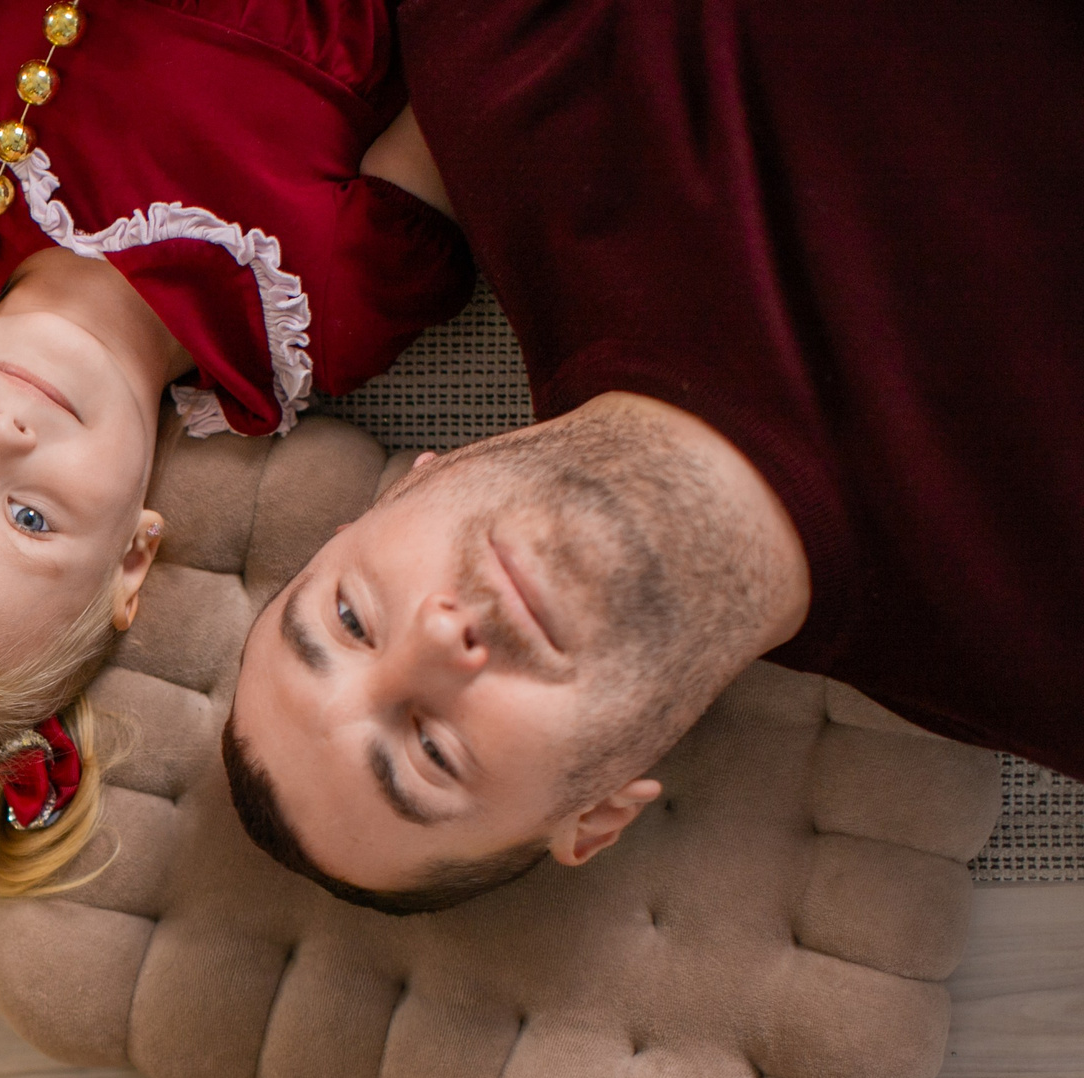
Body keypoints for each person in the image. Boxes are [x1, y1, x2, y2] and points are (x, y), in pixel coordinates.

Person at [224, 1, 1084, 914]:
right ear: (595, 817)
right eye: (434, 752)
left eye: (354, 617)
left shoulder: (513, 67)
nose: (439, 638)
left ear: (408, 487)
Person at [0, 0, 470, 893]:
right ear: (132, 553)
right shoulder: (314, 311)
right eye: (28, 515)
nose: (0, 433)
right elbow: (472, 75)